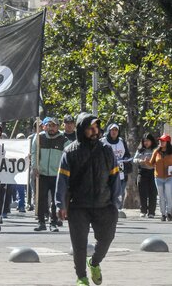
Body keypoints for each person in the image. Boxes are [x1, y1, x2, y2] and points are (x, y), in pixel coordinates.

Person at [56, 113, 121, 286]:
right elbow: (62, 180)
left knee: (107, 238)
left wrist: (114, 202)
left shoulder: (107, 151)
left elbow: (115, 178)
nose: (95, 131)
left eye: (96, 128)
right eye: (90, 128)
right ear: (81, 129)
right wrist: (60, 204)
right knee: (79, 245)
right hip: (78, 206)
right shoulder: (70, 152)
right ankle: (81, 277)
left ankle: (94, 263)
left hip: (104, 204)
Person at [32, 117, 70, 232]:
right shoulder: (39, 137)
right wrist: (35, 167)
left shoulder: (63, 139)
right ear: (45, 126)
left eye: (53, 126)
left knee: (55, 200)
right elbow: (34, 153)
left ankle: (53, 222)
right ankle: (41, 222)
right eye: (49, 125)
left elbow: (68, 156)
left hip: (57, 175)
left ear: (57, 127)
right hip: (42, 173)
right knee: (41, 199)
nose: (51, 128)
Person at [101, 124, 131, 210]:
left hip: (120, 170)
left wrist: (126, 159)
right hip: (107, 171)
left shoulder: (121, 141)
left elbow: (127, 154)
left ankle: (117, 209)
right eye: (112, 130)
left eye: (116, 130)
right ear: (109, 131)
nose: (114, 132)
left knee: (120, 192)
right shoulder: (103, 141)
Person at [145, 134, 172, 222]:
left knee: (168, 195)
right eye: (160, 140)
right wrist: (146, 162)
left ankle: (169, 213)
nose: (161, 142)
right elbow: (151, 163)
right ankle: (163, 214)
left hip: (169, 177)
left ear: (167, 142)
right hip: (158, 177)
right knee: (161, 196)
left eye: (163, 141)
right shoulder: (156, 151)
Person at [133, 133, 158, 218]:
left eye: (148, 141)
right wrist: (140, 161)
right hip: (142, 172)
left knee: (152, 193)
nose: (146, 143)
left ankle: (151, 212)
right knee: (142, 192)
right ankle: (143, 210)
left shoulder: (156, 150)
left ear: (151, 141)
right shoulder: (140, 150)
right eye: (144, 141)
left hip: (153, 173)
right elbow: (134, 159)